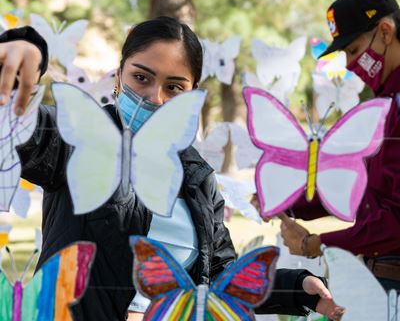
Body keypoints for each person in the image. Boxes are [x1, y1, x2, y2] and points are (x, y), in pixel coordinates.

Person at [0, 17, 343, 320]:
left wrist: (299, 289)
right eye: (141, 77)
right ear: (118, 76)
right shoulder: (75, 138)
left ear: (194, 93)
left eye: (174, 87)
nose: (156, 97)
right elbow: (14, 122)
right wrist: (23, 47)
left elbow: (221, 276)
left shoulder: (198, 177)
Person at [276, 0, 400, 291]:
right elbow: (362, 192)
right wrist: (287, 203)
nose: (348, 64)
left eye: (354, 50)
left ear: (385, 32)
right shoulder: (384, 106)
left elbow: (397, 220)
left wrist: (315, 244)